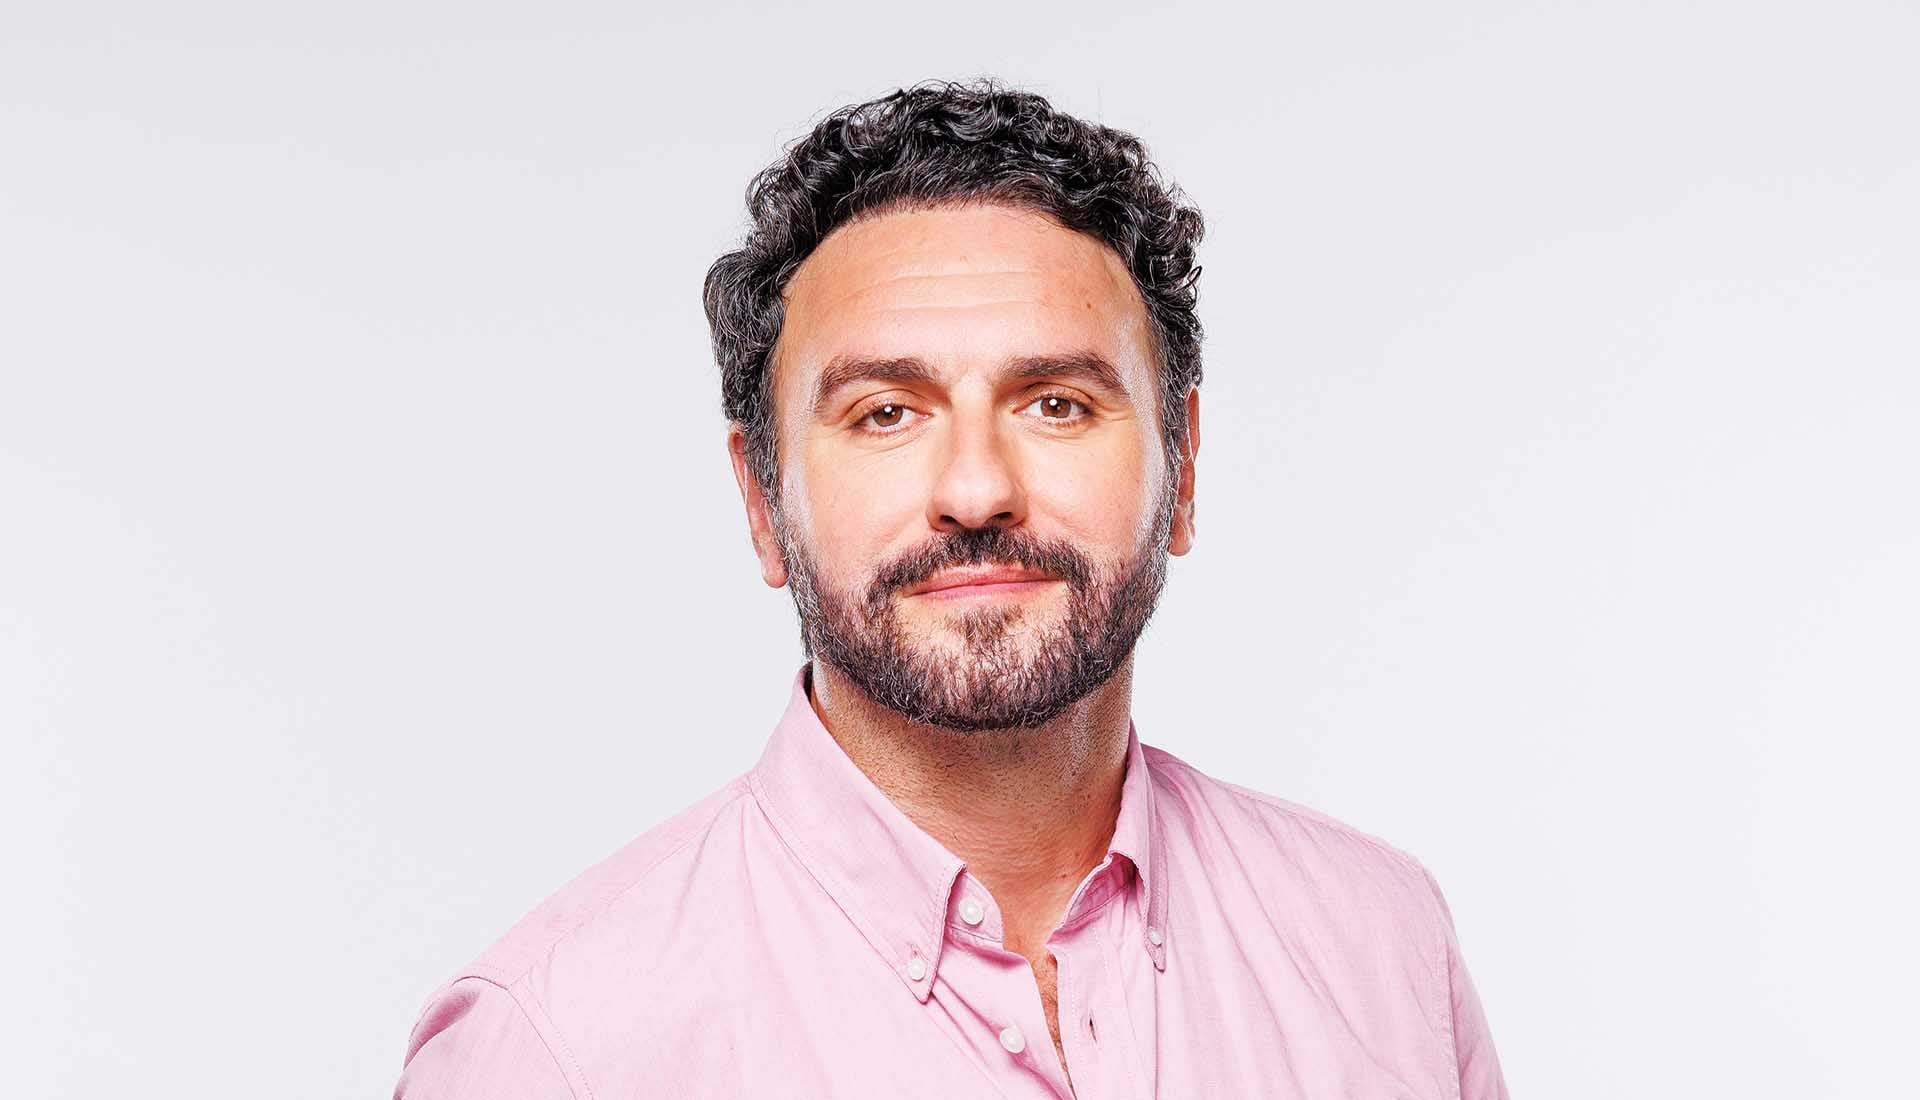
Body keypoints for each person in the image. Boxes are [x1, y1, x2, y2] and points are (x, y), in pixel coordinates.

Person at [393, 77, 1508, 1099]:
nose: (977, 491)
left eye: (1057, 403)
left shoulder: (1384, 946)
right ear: (761, 499)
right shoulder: (552, 1051)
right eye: (886, 412)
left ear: (1183, 467)